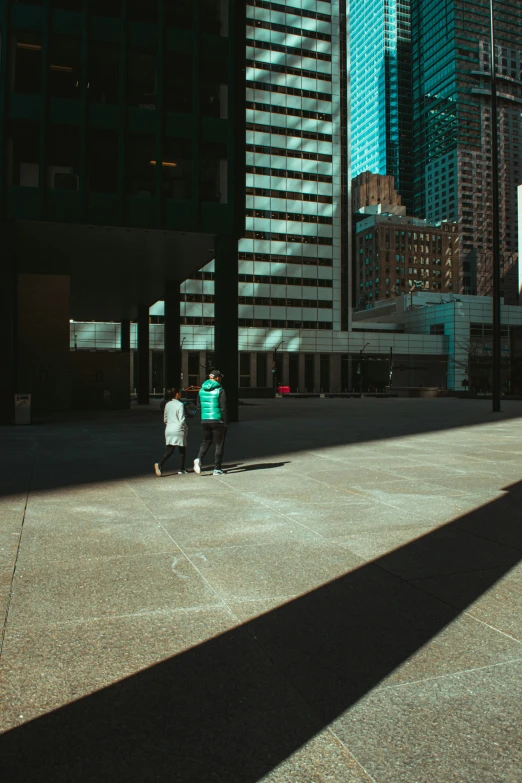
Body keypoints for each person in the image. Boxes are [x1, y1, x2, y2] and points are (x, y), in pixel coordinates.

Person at [193, 369, 228, 476]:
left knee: (206, 441)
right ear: (217, 378)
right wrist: (225, 422)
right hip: (217, 420)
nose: (221, 379)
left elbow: (198, 406)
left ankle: (199, 459)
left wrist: (203, 417)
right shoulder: (220, 390)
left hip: (205, 420)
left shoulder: (201, 390)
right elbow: (223, 407)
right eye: (220, 377)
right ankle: (217, 469)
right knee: (219, 444)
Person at [154, 387, 188, 477]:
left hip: (169, 429)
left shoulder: (167, 404)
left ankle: (160, 464)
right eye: (179, 393)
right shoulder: (180, 405)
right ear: (177, 394)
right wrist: (185, 428)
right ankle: (181, 468)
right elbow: (182, 419)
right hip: (178, 429)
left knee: (170, 449)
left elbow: (165, 419)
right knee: (182, 450)